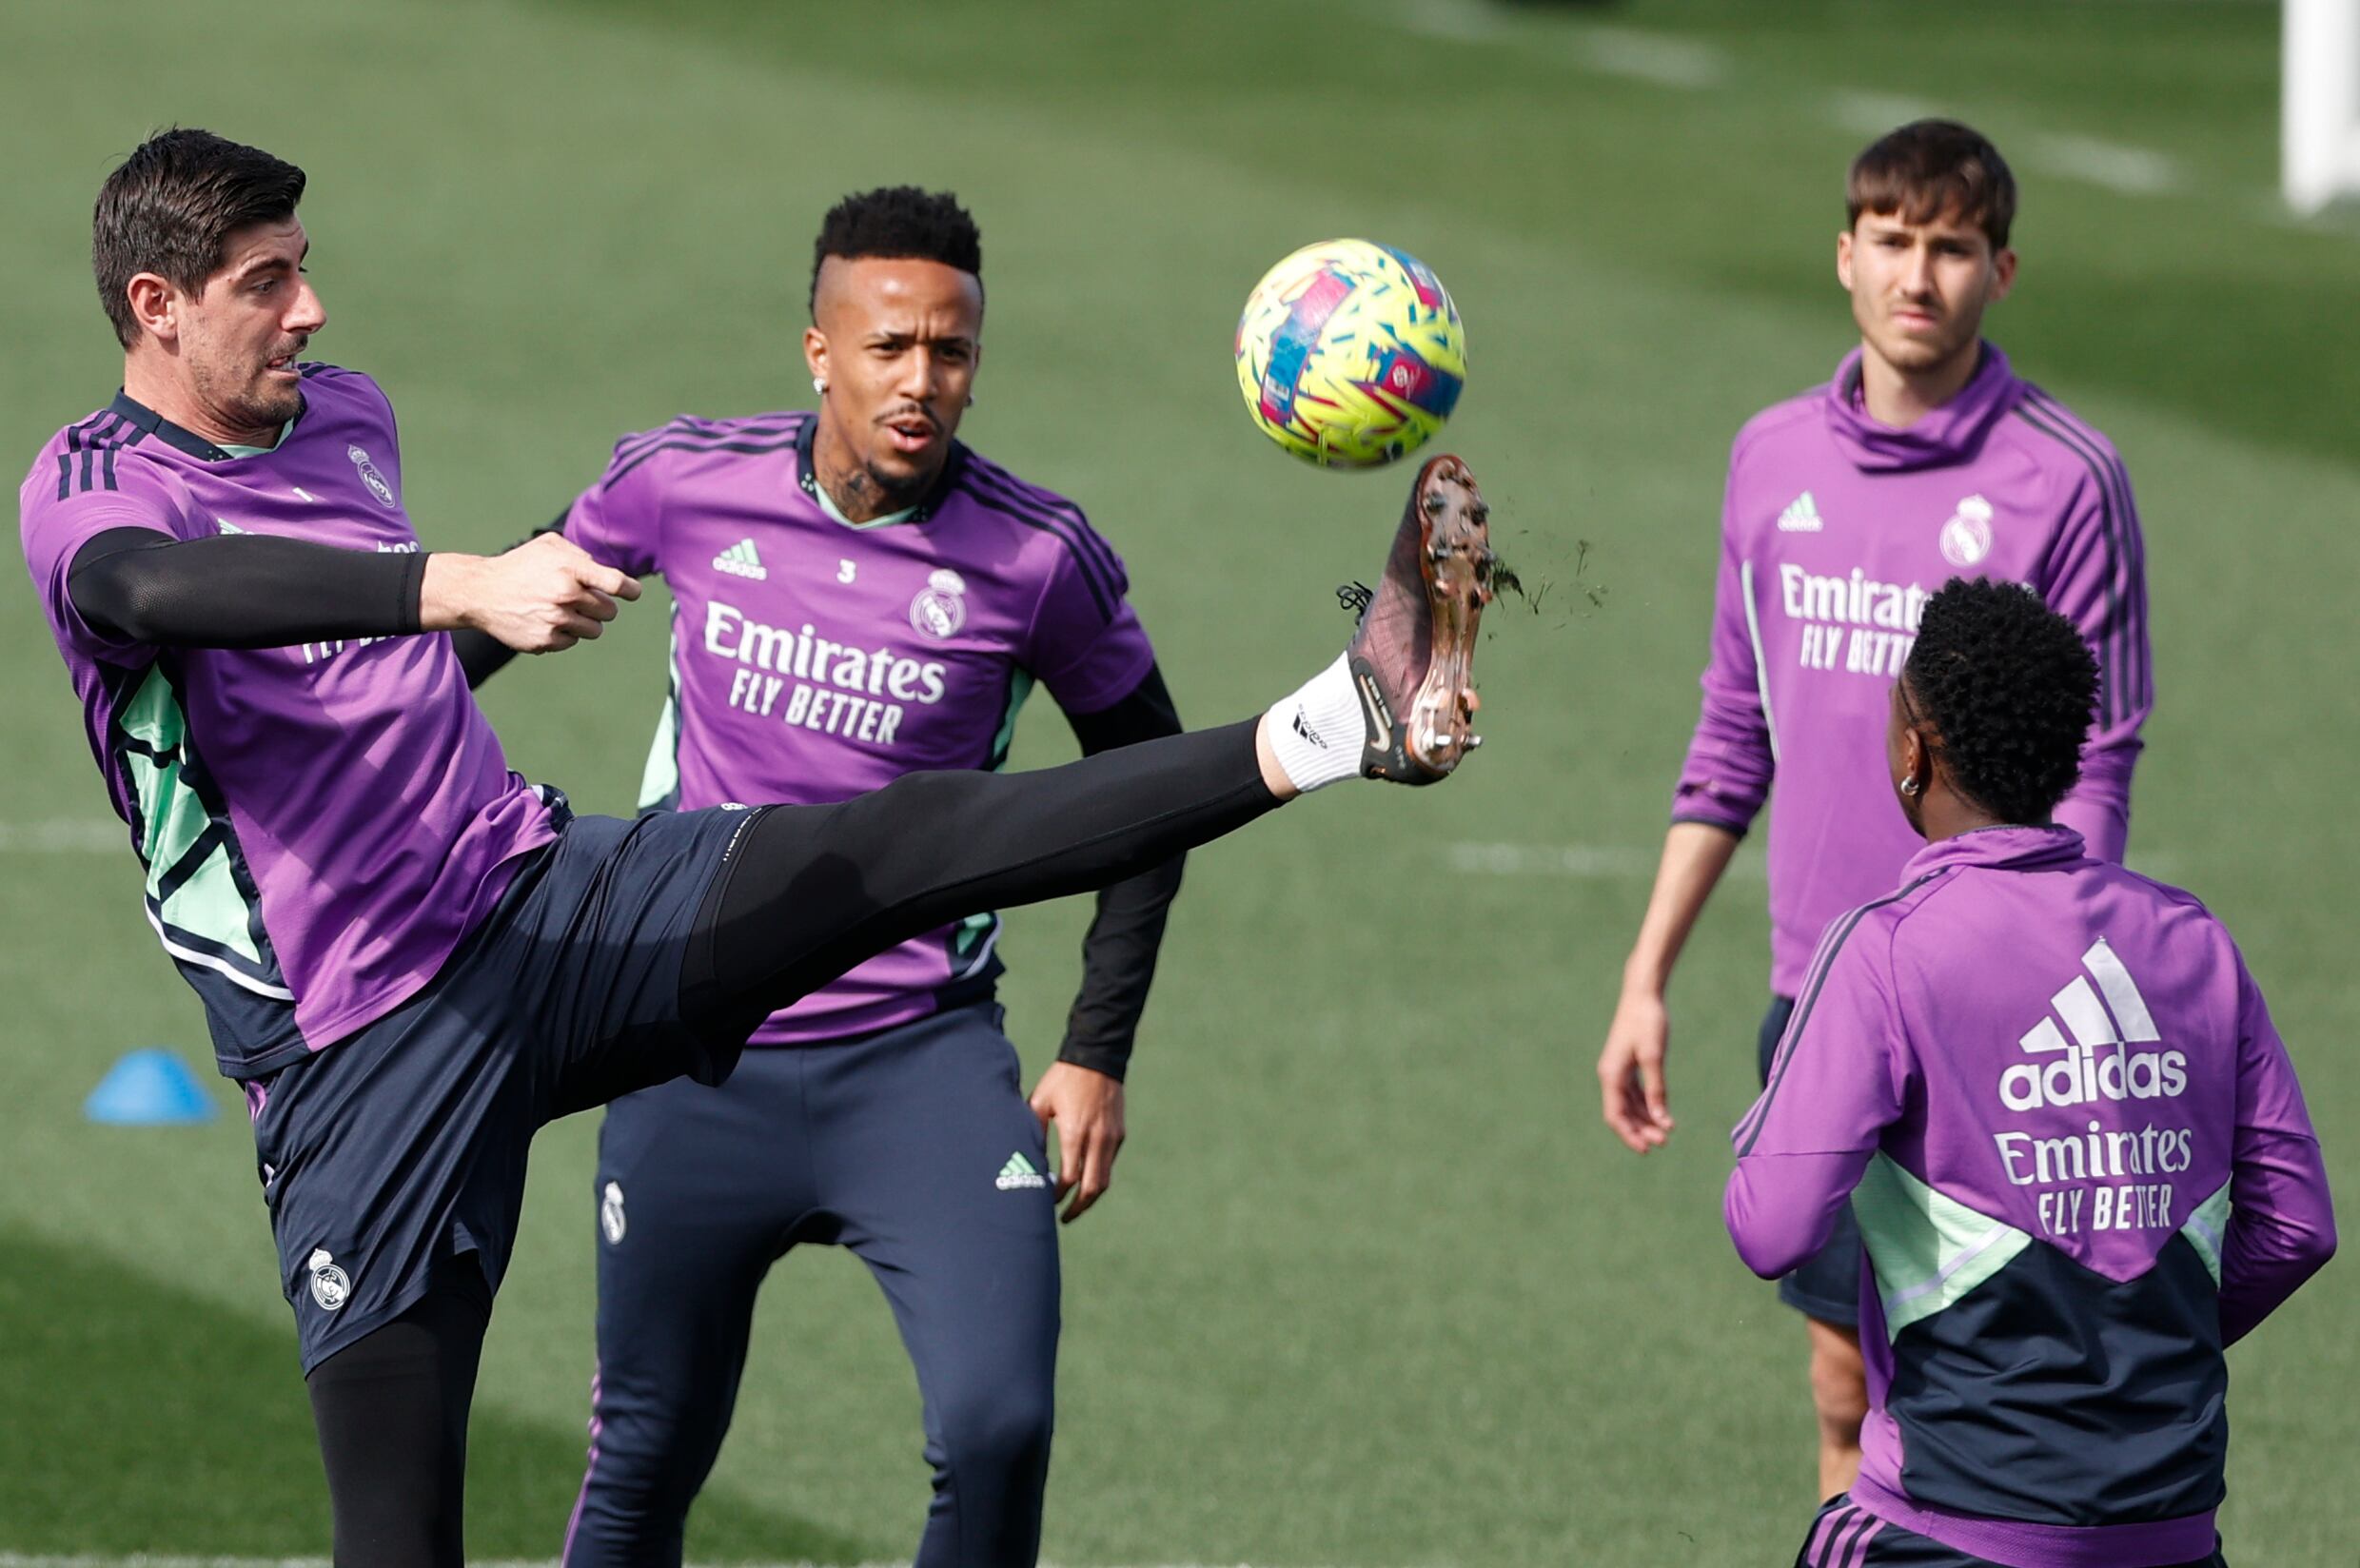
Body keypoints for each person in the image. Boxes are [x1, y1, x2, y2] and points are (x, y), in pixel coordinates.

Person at [16, 128, 1496, 1568]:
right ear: (158, 307)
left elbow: (382, 696)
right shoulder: (89, 487)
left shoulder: (346, 414)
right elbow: (154, 589)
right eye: (268, 282)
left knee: (904, 844)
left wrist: (466, 619)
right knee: (400, 1532)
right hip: (361, 1045)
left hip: (541, 906)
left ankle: (1335, 718)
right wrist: (453, 584)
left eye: (305, 269)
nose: (312, 308)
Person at [456, 186, 1191, 1567]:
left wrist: (1097, 1052)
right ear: (818, 350)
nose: (922, 382)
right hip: (686, 1052)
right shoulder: (678, 480)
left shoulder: (1041, 559)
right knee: (644, 1459)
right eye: (890, 346)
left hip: (917, 1064)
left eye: (953, 352)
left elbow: (1149, 799)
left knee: (996, 1429)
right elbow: (478, 628)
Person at [1595, 119, 2154, 1499]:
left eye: (1953, 247)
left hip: (1997, 1014)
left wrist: (2032, 977)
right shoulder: (1772, 457)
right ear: (1845, 257)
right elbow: (1736, 733)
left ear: (2001, 272)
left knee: (1998, 1378)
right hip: (1825, 995)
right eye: (1894, 242)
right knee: (1846, 1383)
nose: (1922, 276)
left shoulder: (2066, 482)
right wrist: (1646, 973)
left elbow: (2101, 762)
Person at [1725, 578, 2333, 1568]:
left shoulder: (1883, 951)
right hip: (2170, 1538)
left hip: (1944, 1527)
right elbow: (2296, 1225)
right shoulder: (2193, 941)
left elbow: (1770, 1225)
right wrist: (2120, 1348)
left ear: (1911, 749)